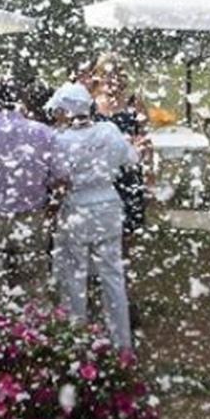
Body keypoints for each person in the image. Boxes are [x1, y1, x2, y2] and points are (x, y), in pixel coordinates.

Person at [0, 76, 66, 311]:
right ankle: (37, 327)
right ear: (19, 99)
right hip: (32, 215)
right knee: (34, 282)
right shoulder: (42, 132)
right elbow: (61, 175)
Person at [48, 83, 137, 349]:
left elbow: (57, 178)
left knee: (74, 276)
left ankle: (76, 344)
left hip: (76, 207)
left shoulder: (60, 139)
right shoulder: (109, 130)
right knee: (113, 275)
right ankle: (122, 344)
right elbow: (130, 159)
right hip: (108, 204)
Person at [89, 54, 152, 329]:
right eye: (107, 74)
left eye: (117, 74)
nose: (112, 79)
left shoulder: (134, 103)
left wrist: (148, 171)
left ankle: (124, 300)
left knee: (125, 241)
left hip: (128, 179)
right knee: (97, 240)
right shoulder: (90, 104)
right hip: (100, 179)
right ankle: (98, 298)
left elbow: (145, 140)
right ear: (98, 76)